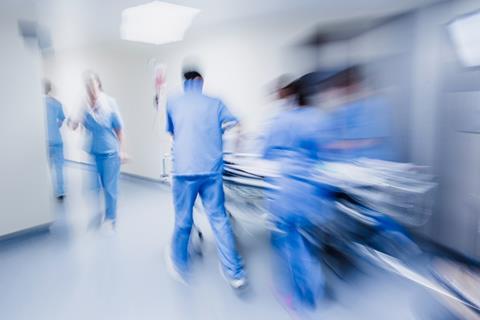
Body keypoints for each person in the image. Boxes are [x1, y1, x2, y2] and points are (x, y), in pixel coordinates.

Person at [165, 69, 246, 289]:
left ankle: (179, 264)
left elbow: (172, 133)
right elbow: (238, 124)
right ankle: (235, 273)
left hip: (184, 172)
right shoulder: (216, 103)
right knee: (219, 220)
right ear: (201, 81)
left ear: (185, 82)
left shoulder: (173, 101)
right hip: (211, 171)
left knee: (183, 221)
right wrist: (235, 148)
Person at [263, 80, 333, 310]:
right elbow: (326, 154)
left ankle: (301, 300)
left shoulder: (282, 120)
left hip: (288, 193)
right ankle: (315, 287)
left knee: (290, 244)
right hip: (314, 193)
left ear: (291, 97)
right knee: (307, 242)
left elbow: (266, 154)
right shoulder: (319, 118)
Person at [71, 72, 126, 232]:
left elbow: (119, 128)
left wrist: (122, 150)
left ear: (98, 85)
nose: (90, 89)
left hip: (110, 152)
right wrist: (77, 116)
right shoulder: (84, 105)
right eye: (87, 86)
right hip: (94, 151)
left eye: (93, 85)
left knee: (110, 188)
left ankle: (111, 218)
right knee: (93, 187)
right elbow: (73, 126)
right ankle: (100, 214)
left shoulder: (109, 103)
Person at [44, 79, 66, 200]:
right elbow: (62, 119)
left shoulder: (36, 103)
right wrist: (55, 125)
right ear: (50, 88)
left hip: (44, 141)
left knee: (46, 167)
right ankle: (60, 192)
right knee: (59, 168)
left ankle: (45, 191)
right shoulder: (57, 103)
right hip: (57, 140)